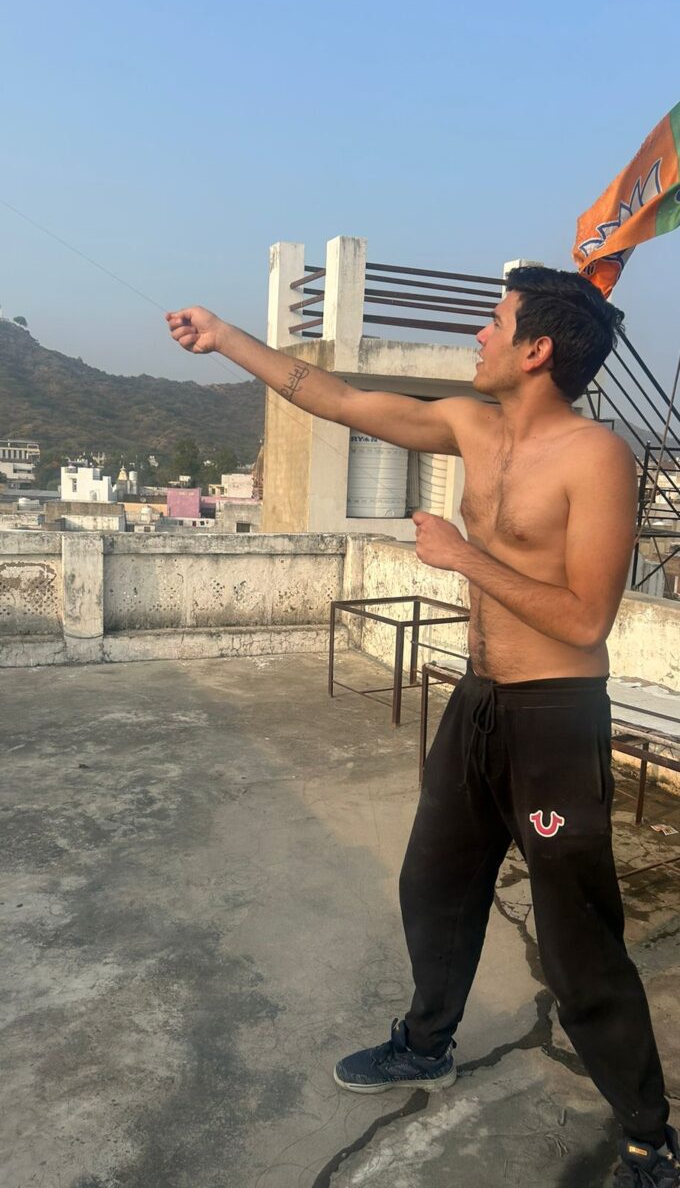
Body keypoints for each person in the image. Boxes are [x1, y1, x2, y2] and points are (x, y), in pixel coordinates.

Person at [167, 266, 678, 1186]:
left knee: (577, 938)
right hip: (479, 701)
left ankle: (647, 1133)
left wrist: (463, 557)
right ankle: (426, 1043)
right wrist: (225, 336)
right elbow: (336, 399)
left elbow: (584, 620)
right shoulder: (471, 425)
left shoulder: (598, 457)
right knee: (433, 883)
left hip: (554, 720)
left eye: (495, 322)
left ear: (537, 349)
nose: (478, 337)